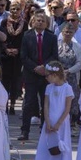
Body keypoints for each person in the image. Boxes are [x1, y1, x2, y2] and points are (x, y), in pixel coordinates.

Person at [29, 61, 74, 160]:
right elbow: (46, 105)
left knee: (61, 152)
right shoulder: (49, 88)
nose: (46, 78)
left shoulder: (67, 88)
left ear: (55, 75)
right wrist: (47, 122)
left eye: (48, 75)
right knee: (48, 151)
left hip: (62, 124)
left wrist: (59, 124)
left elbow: (67, 108)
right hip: (49, 123)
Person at [18, 11, 59, 141]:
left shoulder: (52, 37)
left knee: (45, 102)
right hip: (31, 74)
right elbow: (23, 56)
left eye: (43, 21)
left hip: (46, 75)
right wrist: (35, 68)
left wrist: (44, 67)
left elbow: (54, 55)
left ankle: (44, 128)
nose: (40, 22)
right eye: (38, 20)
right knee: (28, 102)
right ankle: (25, 130)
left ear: (47, 23)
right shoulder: (27, 35)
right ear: (33, 22)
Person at [1, 0, 26, 114]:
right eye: (13, 9)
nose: (15, 11)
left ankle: (13, 105)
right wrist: (6, 49)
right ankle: (5, 104)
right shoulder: (4, 22)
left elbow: (25, 40)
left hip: (18, 56)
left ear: (21, 10)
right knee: (5, 81)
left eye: (17, 9)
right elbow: (1, 37)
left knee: (15, 82)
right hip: (6, 56)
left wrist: (19, 50)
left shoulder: (24, 24)